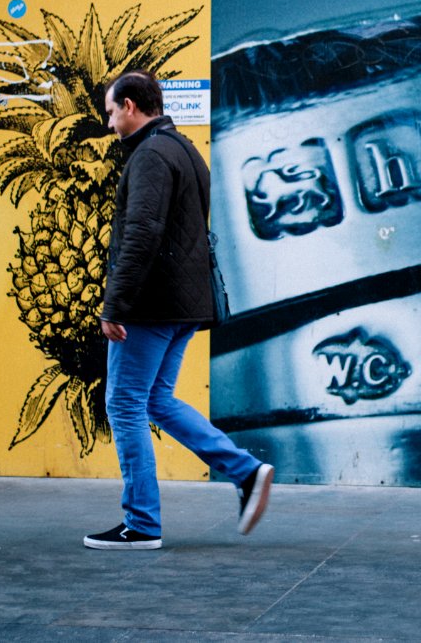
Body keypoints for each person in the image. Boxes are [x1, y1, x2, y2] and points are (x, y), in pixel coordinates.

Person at [83, 70, 274, 550]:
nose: (110, 125)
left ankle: (141, 523)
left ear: (129, 105)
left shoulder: (149, 156)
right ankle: (246, 472)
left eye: (110, 113)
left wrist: (116, 304)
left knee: (124, 404)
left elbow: (143, 232)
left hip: (150, 307)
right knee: (156, 400)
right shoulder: (187, 151)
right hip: (186, 303)